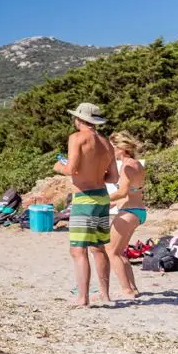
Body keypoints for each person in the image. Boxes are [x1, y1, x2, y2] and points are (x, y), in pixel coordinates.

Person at [53, 102, 118, 308]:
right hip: (102, 196)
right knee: (98, 248)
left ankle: (83, 298)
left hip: (85, 198)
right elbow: (113, 176)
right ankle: (105, 294)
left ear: (80, 119)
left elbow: (71, 169)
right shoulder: (107, 143)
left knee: (78, 250)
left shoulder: (77, 138)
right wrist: (95, 173)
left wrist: (58, 167)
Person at [106, 132, 147, 300]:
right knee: (120, 252)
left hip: (129, 212)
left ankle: (126, 290)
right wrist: (112, 203)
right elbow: (132, 192)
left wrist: (100, 200)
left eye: (111, 148)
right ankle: (132, 288)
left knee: (111, 251)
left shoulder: (127, 166)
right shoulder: (136, 164)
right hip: (137, 210)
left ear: (120, 148)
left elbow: (123, 192)